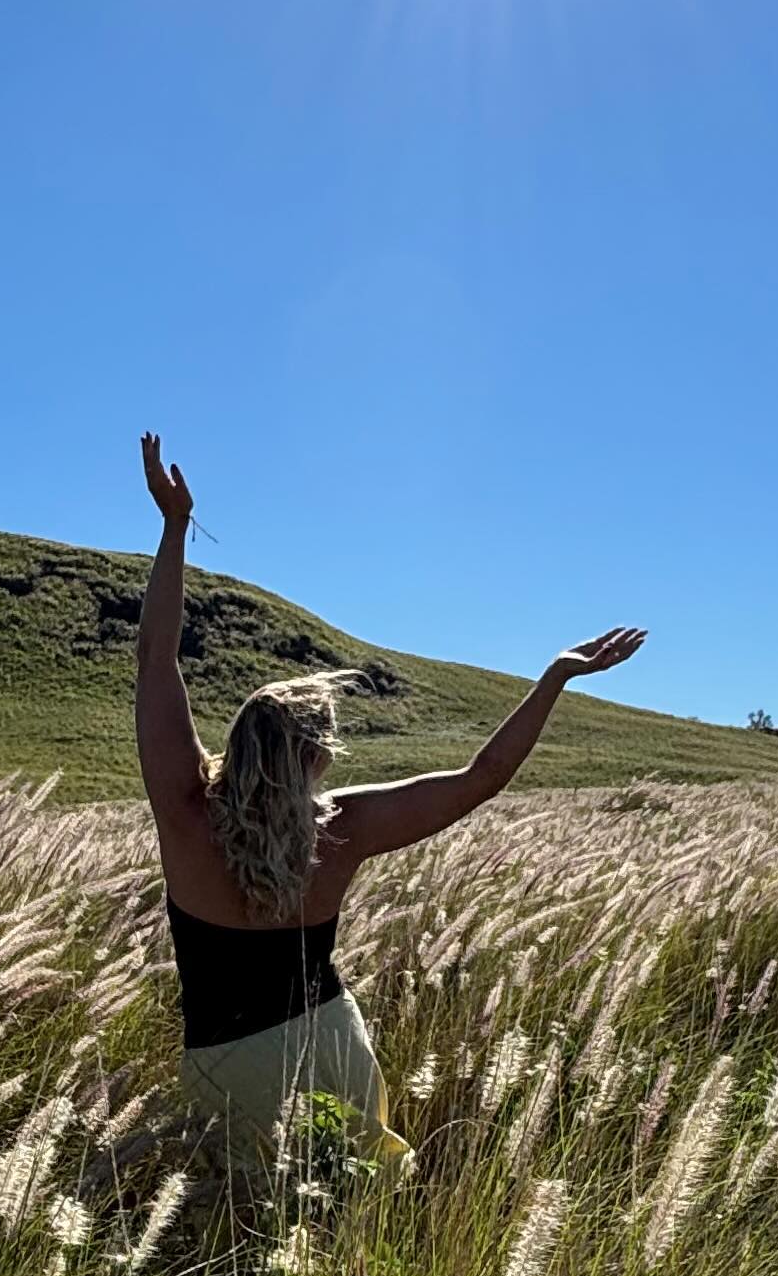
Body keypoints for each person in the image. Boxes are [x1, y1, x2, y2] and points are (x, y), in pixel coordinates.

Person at [135, 432, 644, 1154]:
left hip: (225, 1066)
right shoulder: (344, 827)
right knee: (353, 1196)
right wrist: (551, 680)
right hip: (332, 1048)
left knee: (241, 1222)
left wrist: (175, 527)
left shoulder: (186, 814)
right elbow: (482, 778)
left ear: (244, 741)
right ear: (316, 758)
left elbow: (157, 658)